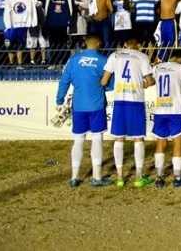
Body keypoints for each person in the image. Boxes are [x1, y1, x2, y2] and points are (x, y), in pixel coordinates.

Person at [56, 34, 111, 187]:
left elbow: (64, 81)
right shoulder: (103, 60)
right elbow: (110, 84)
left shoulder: (73, 60)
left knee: (78, 140)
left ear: (85, 44)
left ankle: (74, 177)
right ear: (99, 43)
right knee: (97, 139)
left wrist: (59, 99)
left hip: (79, 106)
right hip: (96, 105)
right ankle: (97, 177)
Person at [100, 36, 155, 188]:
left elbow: (104, 80)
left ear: (124, 44)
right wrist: (143, 83)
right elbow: (149, 81)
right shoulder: (142, 56)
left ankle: (119, 177)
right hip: (135, 101)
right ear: (138, 44)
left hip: (120, 101)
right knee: (138, 139)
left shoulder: (115, 55)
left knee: (119, 139)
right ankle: (138, 177)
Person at [151, 49, 181, 188]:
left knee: (160, 143)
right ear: (180, 58)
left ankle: (159, 177)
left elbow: (149, 81)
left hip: (160, 110)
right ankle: (177, 177)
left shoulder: (157, 67)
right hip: (174, 110)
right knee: (177, 143)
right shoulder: (180, 68)